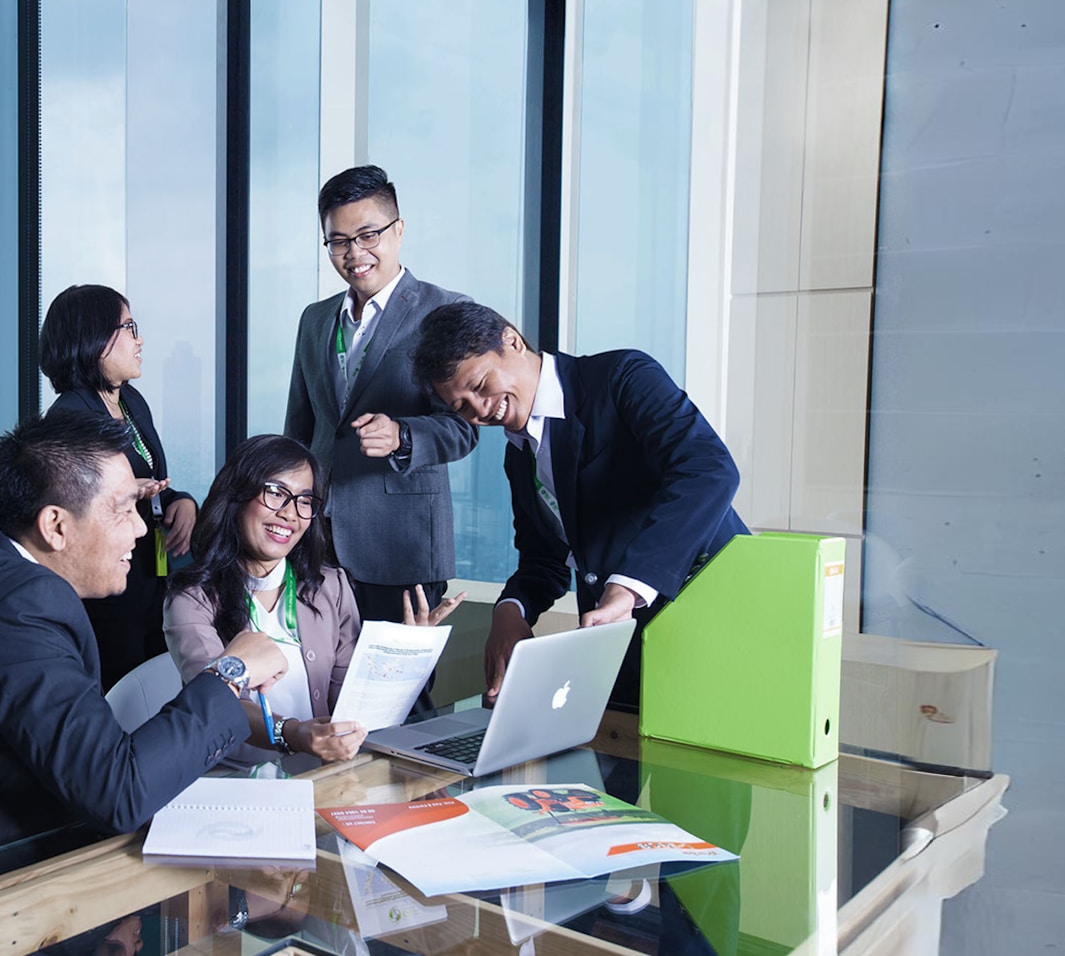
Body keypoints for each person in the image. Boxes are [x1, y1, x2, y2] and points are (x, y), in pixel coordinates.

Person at [0, 413, 287, 889]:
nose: (141, 531)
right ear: (56, 526)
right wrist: (231, 672)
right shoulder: (20, 608)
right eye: (124, 510)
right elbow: (117, 792)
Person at [413, 301, 749, 712]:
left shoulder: (620, 377)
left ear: (512, 341)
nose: (481, 410)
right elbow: (544, 559)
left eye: (481, 385)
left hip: (712, 626)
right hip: (619, 652)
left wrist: (628, 586)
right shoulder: (518, 456)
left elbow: (709, 469)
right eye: (462, 406)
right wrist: (510, 610)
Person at [165, 434, 462, 762]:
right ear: (237, 495)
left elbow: (348, 705)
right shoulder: (192, 598)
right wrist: (293, 734)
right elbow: (216, 702)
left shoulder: (329, 587)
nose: (291, 514)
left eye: (305, 501)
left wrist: (403, 657)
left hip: (319, 778)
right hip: (233, 782)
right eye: (276, 493)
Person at [284, 165, 478, 627]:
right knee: (322, 687)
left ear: (399, 230)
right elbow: (299, 430)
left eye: (369, 235)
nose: (355, 253)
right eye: (339, 241)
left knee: (401, 691)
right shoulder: (315, 319)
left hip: (401, 546)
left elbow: (466, 427)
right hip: (318, 542)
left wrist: (402, 436)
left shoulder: (446, 311)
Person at [41, 284, 199, 692]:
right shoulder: (69, 419)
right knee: (122, 699)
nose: (139, 338)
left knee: (158, 693)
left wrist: (179, 501)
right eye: (128, 326)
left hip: (148, 581)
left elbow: (150, 475)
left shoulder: (130, 400)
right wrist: (125, 493)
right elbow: (69, 515)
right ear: (92, 340)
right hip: (107, 597)